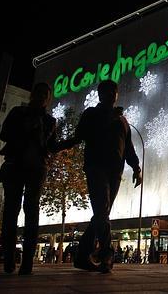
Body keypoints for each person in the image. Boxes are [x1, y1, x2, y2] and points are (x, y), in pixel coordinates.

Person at [60, 80, 142, 273]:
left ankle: (82, 256)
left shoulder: (122, 120)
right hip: (96, 168)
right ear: (100, 94)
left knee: (101, 214)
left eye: (114, 90)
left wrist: (137, 168)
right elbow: (78, 136)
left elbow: (128, 147)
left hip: (115, 172)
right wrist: (57, 146)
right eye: (107, 91)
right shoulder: (91, 114)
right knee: (102, 212)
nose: (112, 94)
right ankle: (107, 254)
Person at [0, 82, 61, 275]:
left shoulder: (50, 121)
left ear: (48, 98)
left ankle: (27, 263)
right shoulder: (18, 112)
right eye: (39, 92)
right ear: (33, 95)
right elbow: (4, 133)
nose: (42, 96)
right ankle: (9, 259)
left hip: (37, 168)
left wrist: (74, 140)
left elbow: (52, 146)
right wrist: (25, 129)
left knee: (32, 211)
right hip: (15, 165)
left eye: (46, 94)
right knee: (11, 211)